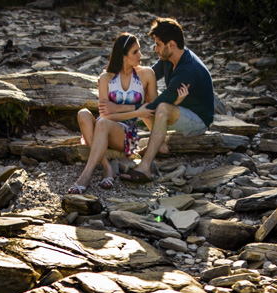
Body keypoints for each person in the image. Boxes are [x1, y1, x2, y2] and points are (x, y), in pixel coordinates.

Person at [119, 17, 214, 184]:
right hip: (180, 107)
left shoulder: (188, 70)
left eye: (158, 44)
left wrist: (123, 111)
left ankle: (145, 168)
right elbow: (149, 75)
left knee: (162, 108)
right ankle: (161, 144)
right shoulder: (169, 59)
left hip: (198, 120)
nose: (155, 49)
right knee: (146, 94)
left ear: (171, 45)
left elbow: (158, 105)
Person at [68, 33, 156, 194]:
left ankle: (86, 176)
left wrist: (123, 109)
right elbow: (105, 114)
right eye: (135, 52)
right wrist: (136, 109)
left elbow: (153, 107)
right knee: (83, 114)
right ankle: (107, 168)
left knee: (102, 122)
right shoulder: (106, 77)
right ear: (123, 56)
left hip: (126, 133)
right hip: (104, 125)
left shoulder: (146, 74)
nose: (140, 55)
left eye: (139, 51)